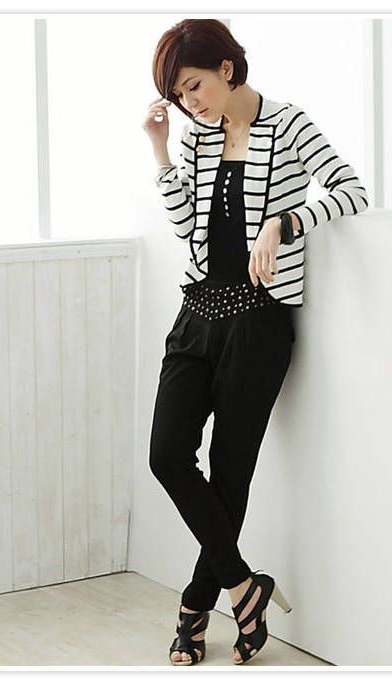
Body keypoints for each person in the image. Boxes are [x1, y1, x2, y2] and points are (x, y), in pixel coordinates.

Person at [142, 19, 368, 666]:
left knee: (229, 472)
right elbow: (187, 227)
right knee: (166, 455)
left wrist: (284, 221)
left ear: (227, 68)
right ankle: (244, 587)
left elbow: (352, 191)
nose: (190, 103)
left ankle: (195, 605)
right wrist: (161, 152)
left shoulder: (288, 123)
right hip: (196, 315)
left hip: (259, 322)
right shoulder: (195, 137)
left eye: (194, 86)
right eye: (179, 95)